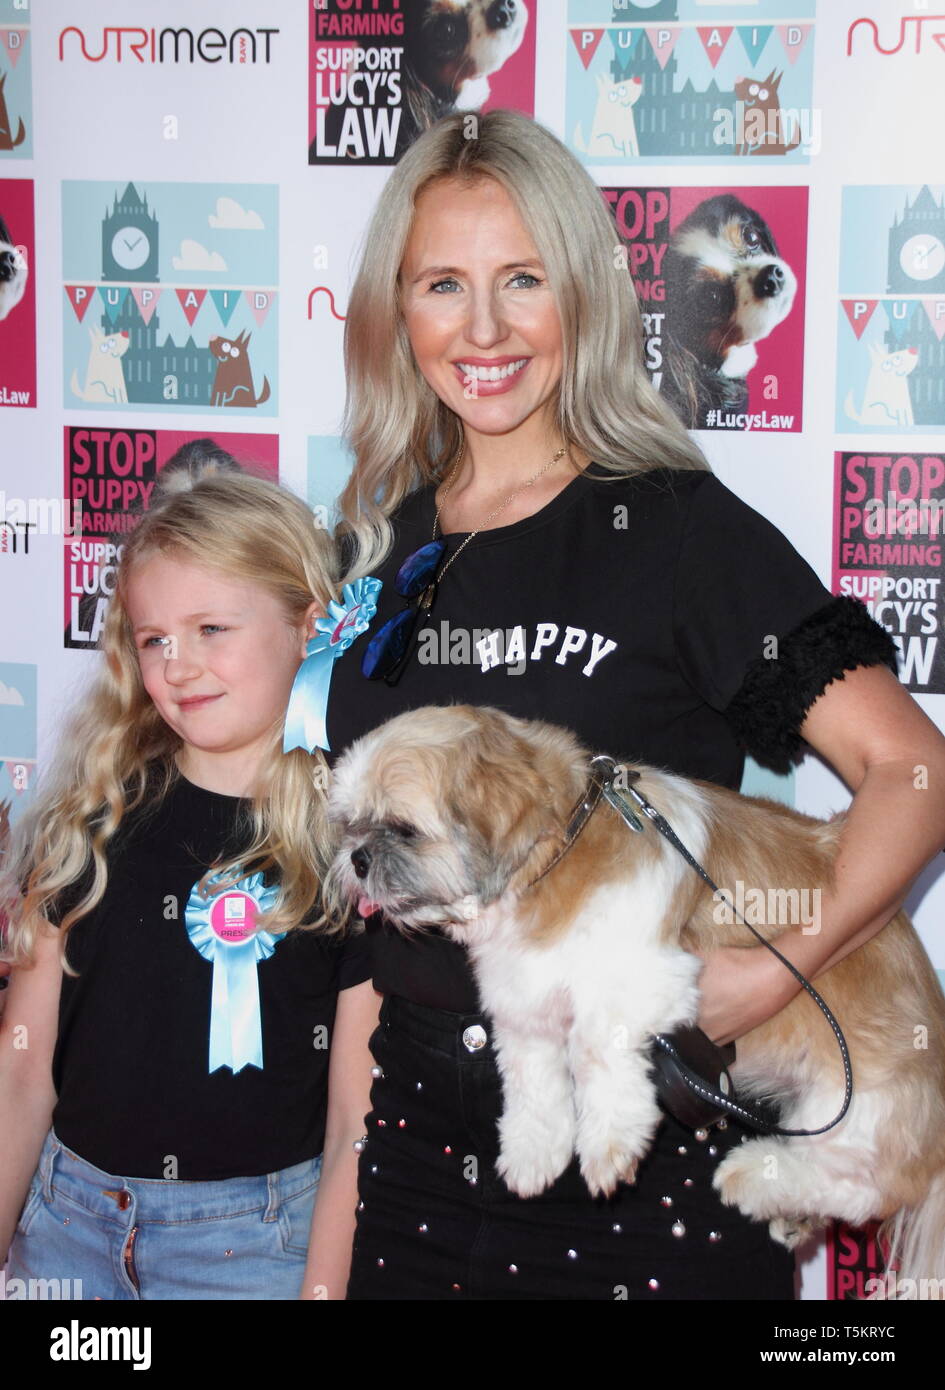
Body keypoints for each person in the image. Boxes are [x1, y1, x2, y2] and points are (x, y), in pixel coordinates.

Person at [325, 110, 945, 1301]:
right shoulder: (379, 549)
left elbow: (912, 774)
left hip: (644, 1183)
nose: (488, 328)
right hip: (414, 1170)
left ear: (585, 296)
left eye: (525, 280)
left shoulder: (674, 531)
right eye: (444, 284)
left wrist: (766, 977)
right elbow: (372, 931)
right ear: (395, 312)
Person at [0, 466, 380, 1300]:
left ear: (309, 625)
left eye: (212, 628)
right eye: (153, 638)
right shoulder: (90, 811)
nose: (177, 667)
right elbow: (23, 1069)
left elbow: (356, 1118)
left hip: (258, 1248)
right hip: (64, 1226)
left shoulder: (354, 843)